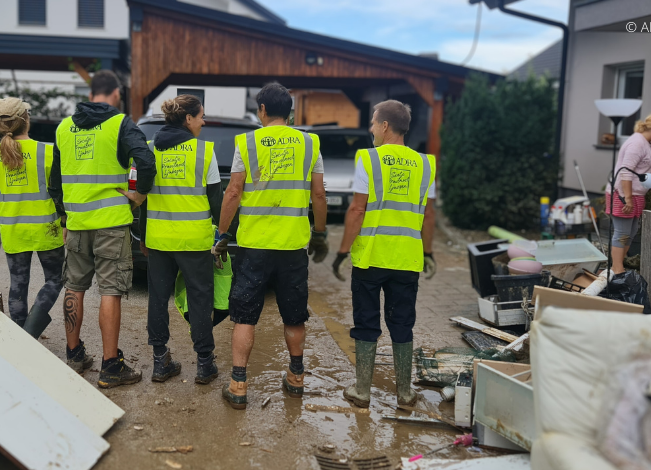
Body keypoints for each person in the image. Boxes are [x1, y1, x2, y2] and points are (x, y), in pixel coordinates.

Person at [214, 82, 329, 410]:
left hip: (254, 245)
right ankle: (295, 378)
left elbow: (233, 191)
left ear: (262, 110)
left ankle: (238, 384)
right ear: (290, 111)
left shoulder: (248, 142)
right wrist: (319, 233)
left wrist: (222, 234)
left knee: (245, 315)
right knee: (294, 315)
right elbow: (319, 194)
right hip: (293, 245)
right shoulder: (310, 143)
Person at [53, 69, 156, 388]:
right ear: (115, 94)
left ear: (91, 92)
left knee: (74, 286)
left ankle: (74, 355)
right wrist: (138, 195)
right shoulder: (120, 123)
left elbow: (54, 181)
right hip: (111, 223)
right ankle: (111, 367)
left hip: (77, 222)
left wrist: (65, 219)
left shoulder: (64, 128)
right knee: (110, 291)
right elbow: (146, 161)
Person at [332, 100, 435, 407]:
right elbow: (429, 216)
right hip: (406, 258)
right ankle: (405, 392)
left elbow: (357, 208)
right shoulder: (426, 164)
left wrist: (341, 251)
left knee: (367, 321)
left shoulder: (369, 159)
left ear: (386, 126)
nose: (371, 129)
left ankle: (362, 391)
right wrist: (428, 252)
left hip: (371, 256)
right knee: (402, 321)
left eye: (374, 123)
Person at [138, 95, 224, 385]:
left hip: (159, 239)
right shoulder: (204, 152)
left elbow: (143, 199)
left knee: (158, 300)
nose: (203, 121)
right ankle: (204, 364)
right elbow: (216, 199)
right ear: (188, 119)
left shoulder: (149, 151)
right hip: (193, 242)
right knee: (200, 300)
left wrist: (143, 235)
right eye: (201, 116)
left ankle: (160, 362)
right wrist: (228, 232)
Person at [0, 97, 65, 338]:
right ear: (26, 120)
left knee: (18, 286)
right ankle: (30, 332)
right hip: (46, 230)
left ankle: (20, 338)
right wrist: (66, 220)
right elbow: (60, 192)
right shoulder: (47, 151)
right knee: (54, 280)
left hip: (12, 230)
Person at [605, 111, 651, 274]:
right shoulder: (636, 143)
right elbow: (626, 172)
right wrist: (627, 198)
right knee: (622, 233)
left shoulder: (646, 143)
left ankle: (619, 266)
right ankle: (617, 269)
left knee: (632, 232)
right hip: (623, 195)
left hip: (635, 195)